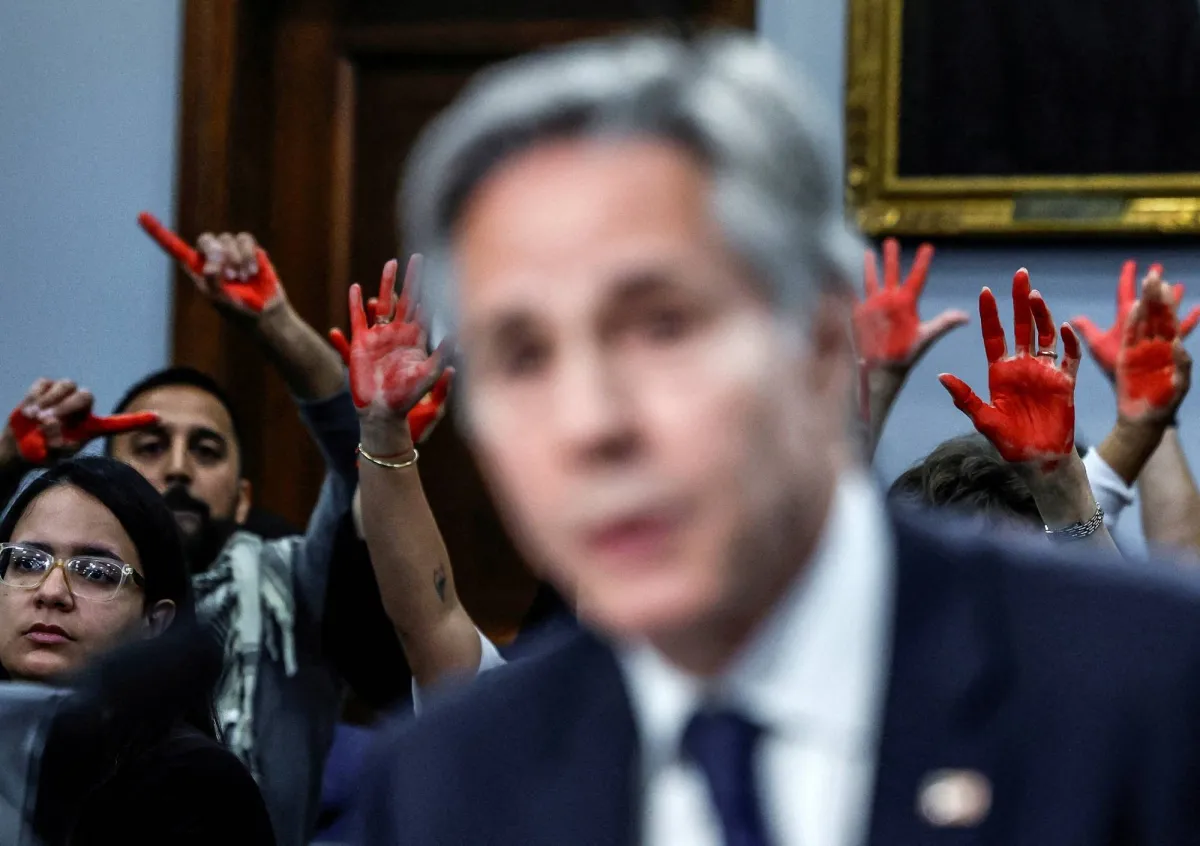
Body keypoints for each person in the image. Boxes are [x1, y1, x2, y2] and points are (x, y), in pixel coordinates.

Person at [350, 31, 1200, 845]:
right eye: (522, 357)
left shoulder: (1146, 689)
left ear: (822, 342)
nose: (590, 423)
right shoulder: (446, 782)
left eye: (662, 327)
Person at [0, 219, 358, 846]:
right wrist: (7, 461)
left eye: (206, 450)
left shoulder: (296, 591)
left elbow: (364, 467)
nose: (177, 468)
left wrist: (276, 324)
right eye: (150, 445)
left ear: (244, 499)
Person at [0, 456, 273, 845]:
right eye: (27, 562)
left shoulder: (195, 783)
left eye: (96, 572)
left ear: (156, 622)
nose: (51, 591)